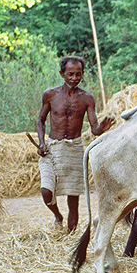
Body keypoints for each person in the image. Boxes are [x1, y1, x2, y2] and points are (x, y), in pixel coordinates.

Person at [35, 56, 115, 234]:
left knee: (73, 198)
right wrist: (41, 143)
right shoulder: (50, 95)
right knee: (46, 191)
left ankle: (70, 235)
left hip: (74, 150)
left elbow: (94, 129)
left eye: (78, 74)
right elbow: (40, 120)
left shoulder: (87, 98)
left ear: (83, 74)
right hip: (52, 149)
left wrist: (101, 128)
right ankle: (57, 216)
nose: (74, 78)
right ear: (61, 74)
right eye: (70, 74)